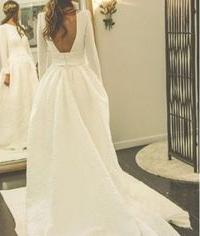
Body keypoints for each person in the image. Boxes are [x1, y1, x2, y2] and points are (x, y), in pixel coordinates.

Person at [26, 0, 191, 235]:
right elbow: (92, 58)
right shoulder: (82, 17)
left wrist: (43, 94)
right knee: (91, 139)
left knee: (62, 140)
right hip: (82, 82)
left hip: (54, 84)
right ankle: (88, 185)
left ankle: (68, 187)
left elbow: (43, 64)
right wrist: (99, 92)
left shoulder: (45, 19)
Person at [0, 1, 39, 152]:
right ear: (14, 11)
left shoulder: (21, 28)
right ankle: (18, 135)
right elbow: (2, 51)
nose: (20, 14)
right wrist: (7, 72)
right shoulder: (3, 28)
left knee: (30, 99)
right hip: (14, 68)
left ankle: (32, 135)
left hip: (26, 67)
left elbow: (27, 50)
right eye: (19, 11)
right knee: (17, 100)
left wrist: (33, 67)